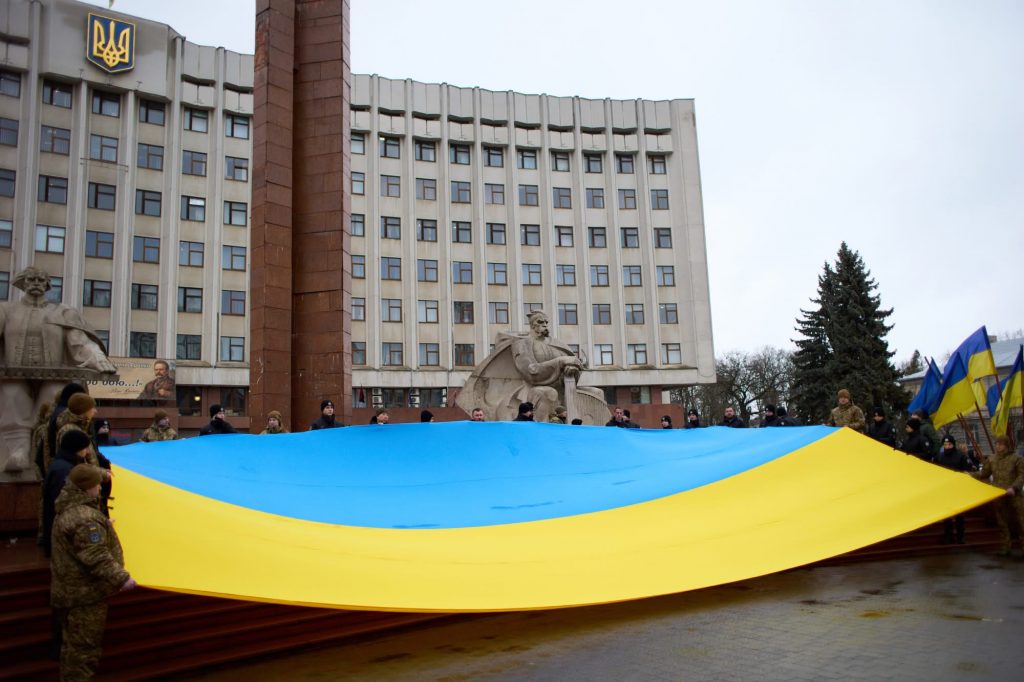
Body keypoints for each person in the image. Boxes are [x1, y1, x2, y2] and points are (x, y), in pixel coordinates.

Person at [0, 267, 115, 479]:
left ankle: (41, 449)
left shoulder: (61, 312)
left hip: (53, 374)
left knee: (55, 394)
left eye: (40, 280)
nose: (36, 283)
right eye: (31, 279)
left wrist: (98, 358)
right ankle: (18, 450)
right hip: (13, 374)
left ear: (47, 285)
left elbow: (80, 343)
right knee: (12, 393)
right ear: (23, 283)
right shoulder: (6, 310)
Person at [50, 464, 136, 681]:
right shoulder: (86, 519)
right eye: (97, 484)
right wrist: (122, 578)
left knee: (72, 648)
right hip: (85, 597)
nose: (99, 488)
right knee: (83, 651)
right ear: (87, 487)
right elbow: (96, 556)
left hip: (69, 593)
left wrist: (104, 526)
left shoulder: (68, 509)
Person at [41, 430, 94, 557]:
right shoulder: (64, 470)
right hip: (62, 536)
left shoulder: (62, 465)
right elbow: (63, 502)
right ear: (77, 448)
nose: (87, 452)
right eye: (85, 448)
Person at [971, 435, 1024, 557]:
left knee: (1020, 522)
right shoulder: (992, 459)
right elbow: (984, 473)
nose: (998, 446)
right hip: (999, 495)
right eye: (997, 444)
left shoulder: (1017, 459)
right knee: (1002, 522)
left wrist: (1014, 487)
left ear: (1006, 445)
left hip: (1014, 495)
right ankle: (1006, 547)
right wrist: (970, 474)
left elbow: (1021, 476)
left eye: (1001, 444)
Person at [934, 435, 971, 544]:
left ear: (953, 445)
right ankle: (948, 536)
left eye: (949, 444)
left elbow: (966, 471)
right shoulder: (940, 457)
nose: (947, 447)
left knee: (959, 514)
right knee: (947, 515)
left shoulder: (960, 456)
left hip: (958, 489)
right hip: (945, 489)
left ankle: (960, 536)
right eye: (945, 445)